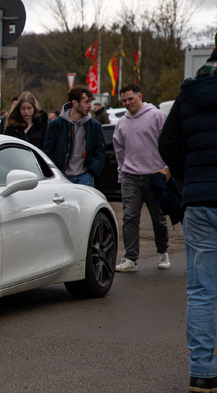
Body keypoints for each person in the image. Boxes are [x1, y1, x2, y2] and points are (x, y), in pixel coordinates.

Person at [158, 33, 217, 392]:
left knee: (201, 291)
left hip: (198, 202)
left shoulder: (189, 93)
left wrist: (188, 179)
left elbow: (167, 144)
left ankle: (202, 374)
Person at [114, 83, 170, 272]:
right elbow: (119, 149)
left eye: (131, 98)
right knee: (129, 217)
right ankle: (131, 259)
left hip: (155, 175)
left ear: (140, 96)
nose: (128, 103)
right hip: (130, 175)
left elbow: (168, 141)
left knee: (158, 218)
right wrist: (122, 172)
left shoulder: (156, 116)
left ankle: (163, 252)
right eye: (124, 100)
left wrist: (167, 169)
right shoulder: (121, 122)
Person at [43, 85, 105, 187]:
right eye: (86, 102)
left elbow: (100, 151)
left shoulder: (95, 126)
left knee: (86, 203)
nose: (90, 106)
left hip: (85, 177)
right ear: (74, 103)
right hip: (62, 178)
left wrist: (91, 172)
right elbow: (47, 151)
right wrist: (56, 172)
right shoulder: (56, 125)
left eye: (90, 102)